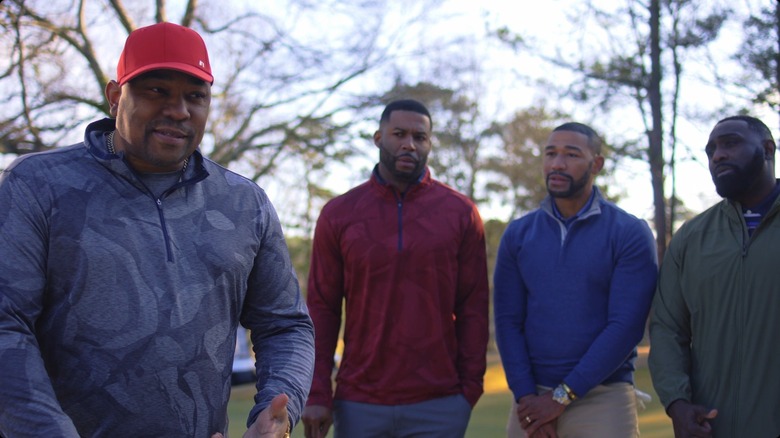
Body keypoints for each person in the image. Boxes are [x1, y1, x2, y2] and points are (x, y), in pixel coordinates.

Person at [0, 22, 314, 438]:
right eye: (156, 90)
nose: (178, 110)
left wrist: (279, 408)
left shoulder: (244, 203)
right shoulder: (38, 184)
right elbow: (6, 323)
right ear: (116, 97)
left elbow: (286, 324)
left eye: (195, 96)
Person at [301, 99, 489, 438]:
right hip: (359, 401)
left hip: (441, 402)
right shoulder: (340, 214)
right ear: (377, 138)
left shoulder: (460, 213)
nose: (409, 144)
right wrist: (317, 391)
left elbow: (473, 306)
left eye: (420, 137)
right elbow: (322, 309)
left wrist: (469, 389)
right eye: (398, 134)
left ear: (430, 143)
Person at [493, 122, 658, 438]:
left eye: (571, 155)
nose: (557, 164)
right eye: (550, 154)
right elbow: (507, 322)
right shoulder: (518, 234)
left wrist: (560, 398)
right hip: (530, 399)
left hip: (603, 395)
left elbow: (625, 327)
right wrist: (528, 399)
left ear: (596, 164)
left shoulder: (629, 232)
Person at [648, 115, 780, 438]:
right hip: (711, 428)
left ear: (767, 149)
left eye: (730, 143)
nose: (717, 155)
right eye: (711, 150)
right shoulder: (691, 238)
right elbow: (667, 329)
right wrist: (677, 403)